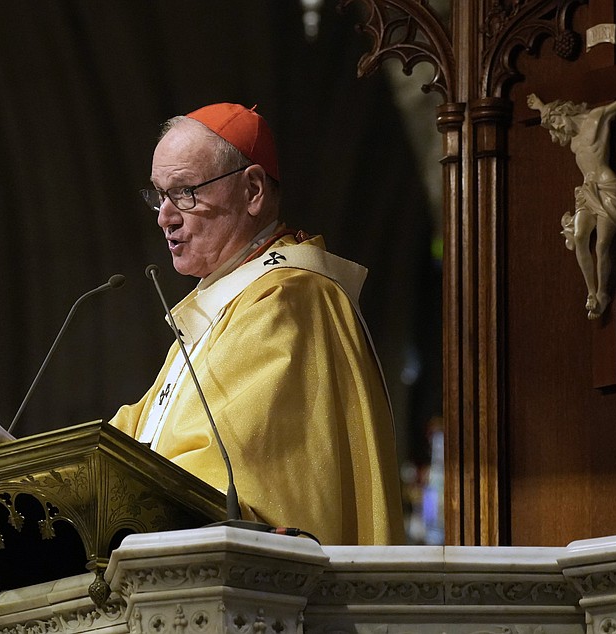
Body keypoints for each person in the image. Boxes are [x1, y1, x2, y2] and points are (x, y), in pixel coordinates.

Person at [109, 103, 404, 545]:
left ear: (252, 191)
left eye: (185, 192)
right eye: (159, 194)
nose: (164, 216)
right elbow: (138, 431)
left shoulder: (289, 298)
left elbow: (232, 472)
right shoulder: (222, 303)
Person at [527, 61, 616, 319]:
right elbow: (550, 115)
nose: (558, 129)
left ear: (565, 111)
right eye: (553, 127)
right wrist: (539, 107)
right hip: (586, 191)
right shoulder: (571, 139)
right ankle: (590, 292)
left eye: (557, 121)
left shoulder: (598, 118)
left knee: (602, 244)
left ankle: (603, 293)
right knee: (581, 237)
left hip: (607, 186)